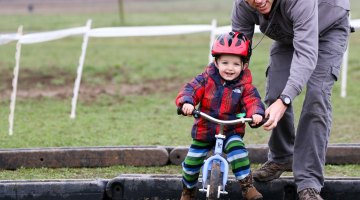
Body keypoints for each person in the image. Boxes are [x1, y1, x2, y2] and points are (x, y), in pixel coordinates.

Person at [231, 0, 351, 199]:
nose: (259, 1)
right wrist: (229, 89)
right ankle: (282, 157)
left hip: (328, 27)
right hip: (288, 31)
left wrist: (285, 100)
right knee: (275, 92)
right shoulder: (243, 4)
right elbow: (237, 50)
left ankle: (309, 182)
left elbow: (306, 54)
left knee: (316, 97)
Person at [176, 31, 266, 200]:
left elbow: (253, 101)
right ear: (216, 62)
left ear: (244, 66)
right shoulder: (206, 79)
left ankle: (247, 187)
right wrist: (187, 102)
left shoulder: (245, 87)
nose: (230, 68)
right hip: (205, 130)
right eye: (225, 62)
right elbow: (191, 89)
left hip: (231, 131)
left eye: (235, 64)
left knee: (238, 152)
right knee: (191, 163)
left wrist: (256, 114)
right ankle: (188, 190)